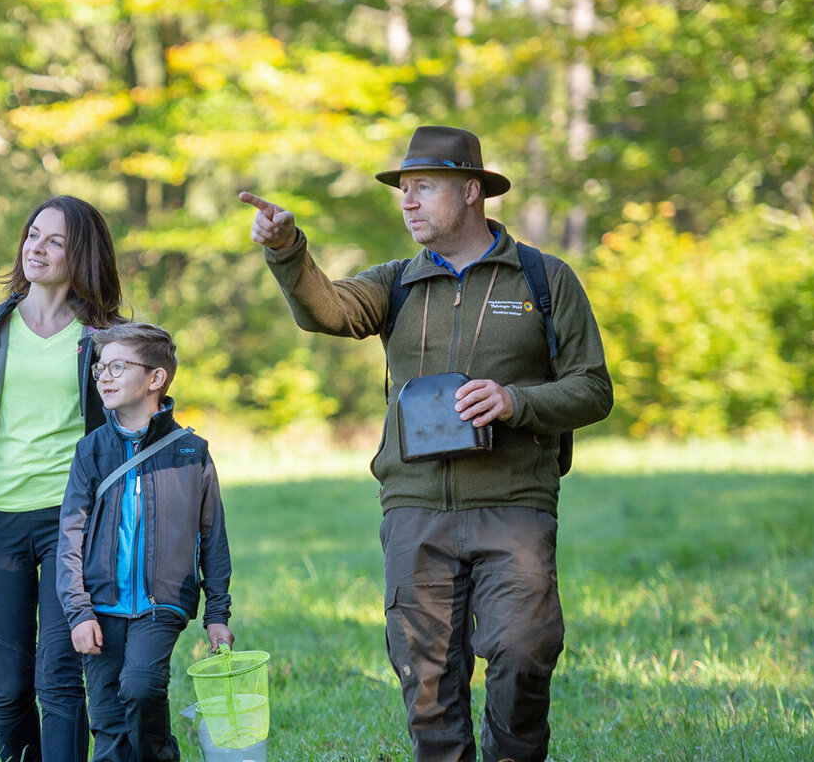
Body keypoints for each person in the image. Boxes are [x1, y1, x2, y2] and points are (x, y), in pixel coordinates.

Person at [241, 125, 613, 762]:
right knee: (427, 677)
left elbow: (593, 389)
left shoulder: (544, 280)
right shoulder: (398, 283)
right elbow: (327, 310)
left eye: (423, 188)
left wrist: (516, 401)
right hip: (414, 508)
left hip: (515, 506)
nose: (407, 201)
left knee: (524, 653)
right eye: (403, 190)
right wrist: (288, 251)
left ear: (471, 192)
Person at [0, 195, 127, 761]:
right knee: (10, 692)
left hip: (75, 525)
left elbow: (140, 425)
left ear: (80, 253)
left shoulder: (107, 338)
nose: (36, 247)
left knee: (59, 682)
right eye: (33, 234)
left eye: (54, 240)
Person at [55, 322, 233, 762]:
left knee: (140, 687)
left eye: (118, 366)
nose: (104, 377)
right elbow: (70, 536)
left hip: (162, 603)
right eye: (100, 369)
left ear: (156, 378)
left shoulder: (190, 451)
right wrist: (79, 612)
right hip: (100, 605)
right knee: (109, 721)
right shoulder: (91, 450)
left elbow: (212, 537)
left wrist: (216, 613)